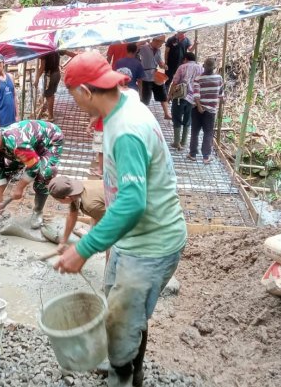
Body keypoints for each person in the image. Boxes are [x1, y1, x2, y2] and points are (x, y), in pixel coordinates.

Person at [55, 51, 187, 387]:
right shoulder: (124, 102)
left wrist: (84, 248)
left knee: (124, 319)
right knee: (117, 309)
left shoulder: (127, 130)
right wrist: (98, 119)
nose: (74, 101)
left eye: (72, 94)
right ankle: (124, 361)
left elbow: (131, 203)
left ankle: (123, 375)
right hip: (132, 239)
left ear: (86, 91)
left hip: (151, 242)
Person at [0, 120, 64, 229]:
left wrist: (19, 188)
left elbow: (34, 166)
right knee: (7, 166)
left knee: (44, 175)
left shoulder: (17, 144)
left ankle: (38, 211)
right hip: (30, 146)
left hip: (50, 141)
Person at [47, 176, 106, 249]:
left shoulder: (90, 205)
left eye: (59, 200)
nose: (59, 202)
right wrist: (63, 242)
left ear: (66, 198)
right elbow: (72, 216)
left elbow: (112, 222)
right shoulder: (76, 190)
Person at [187, 58, 225, 164]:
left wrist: (199, 106)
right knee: (208, 133)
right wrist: (222, 101)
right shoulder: (219, 78)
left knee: (195, 131)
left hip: (197, 109)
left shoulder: (198, 78)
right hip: (211, 110)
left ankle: (193, 154)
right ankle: (206, 157)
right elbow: (221, 93)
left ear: (204, 66)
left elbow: (196, 94)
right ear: (214, 68)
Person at [170, 52, 203, 148]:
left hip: (180, 96)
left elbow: (175, 82)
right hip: (194, 99)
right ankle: (184, 141)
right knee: (188, 119)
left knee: (176, 117)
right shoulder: (201, 68)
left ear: (185, 59)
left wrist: (170, 95)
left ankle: (176, 142)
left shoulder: (182, 67)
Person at [138, 36, 171, 119]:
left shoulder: (158, 51)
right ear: (156, 41)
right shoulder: (144, 48)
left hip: (156, 76)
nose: (161, 45)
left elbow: (160, 62)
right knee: (145, 98)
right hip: (146, 76)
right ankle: (142, 114)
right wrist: (144, 40)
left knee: (163, 94)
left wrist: (164, 65)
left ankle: (167, 113)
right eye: (161, 43)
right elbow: (135, 47)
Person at [0, 53, 17, 127]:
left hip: (12, 116)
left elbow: (14, 96)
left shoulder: (10, 77)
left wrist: (17, 114)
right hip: (1, 117)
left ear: (3, 63)